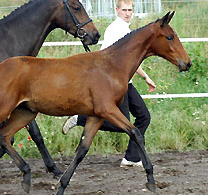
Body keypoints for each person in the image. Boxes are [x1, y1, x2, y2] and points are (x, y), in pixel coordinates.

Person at [62, 0, 156, 168]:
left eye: (130, 10)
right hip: (113, 84)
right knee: (122, 124)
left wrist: (144, 76)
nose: (128, 13)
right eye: (124, 10)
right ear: (117, 10)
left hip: (126, 82)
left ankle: (132, 158)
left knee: (144, 116)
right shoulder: (117, 29)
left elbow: (130, 60)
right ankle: (81, 119)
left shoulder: (125, 29)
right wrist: (145, 77)